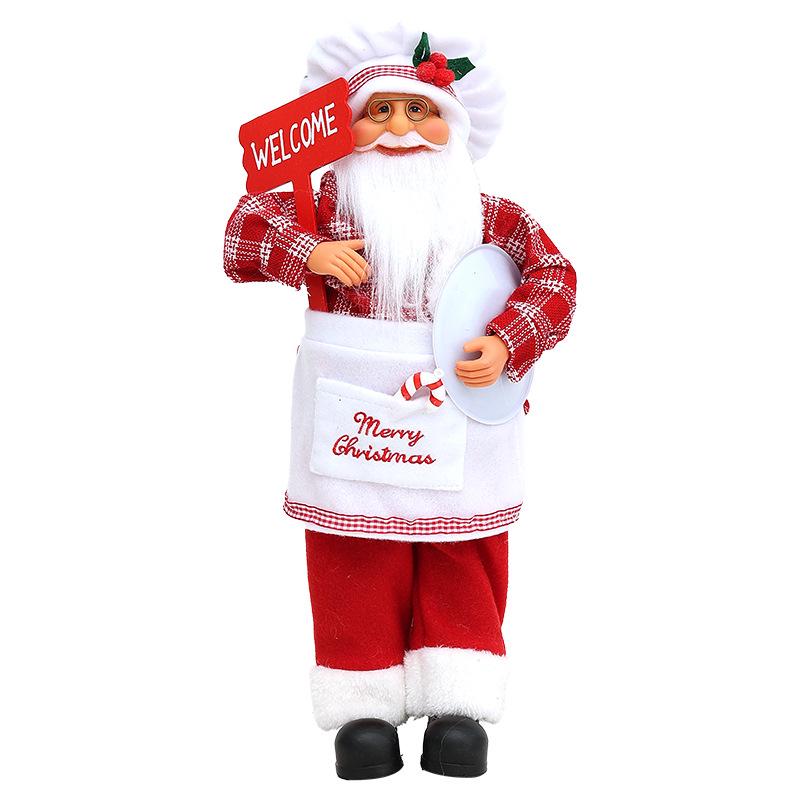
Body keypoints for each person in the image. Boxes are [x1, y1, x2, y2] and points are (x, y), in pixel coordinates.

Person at [224, 24, 577, 779]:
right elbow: (240, 234)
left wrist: (509, 340)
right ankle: (362, 709)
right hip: (353, 421)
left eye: (419, 112)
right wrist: (306, 252)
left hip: (459, 416)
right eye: (377, 112)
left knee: (463, 552)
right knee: (353, 556)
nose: (398, 129)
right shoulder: (325, 206)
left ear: (454, 128)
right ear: (342, 130)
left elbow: (555, 279)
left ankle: (458, 707)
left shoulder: (491, 217)